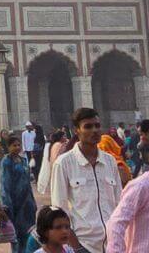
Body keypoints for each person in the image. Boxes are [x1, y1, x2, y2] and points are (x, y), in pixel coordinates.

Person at [51, 108, 121, 253]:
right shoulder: (64, 163)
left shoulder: (110, 161)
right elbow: (59, 210)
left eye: (97, 126)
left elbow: (119, 204)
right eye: (88, 126)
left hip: (113, 243)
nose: (94, 130)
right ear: (76, 130)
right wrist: (77, 247)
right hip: (83, 244)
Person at [1, 135, 37, 253]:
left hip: (27, 205)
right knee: (16, 237)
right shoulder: (6, 162)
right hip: (15, 205)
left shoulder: (24, 160)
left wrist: (33, 202)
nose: (17, 147)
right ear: (8, 147)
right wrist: (6, 206)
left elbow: (27, 183)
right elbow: (5, 184)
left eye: (18, 145)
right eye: (14, 145)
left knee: (30, 234)